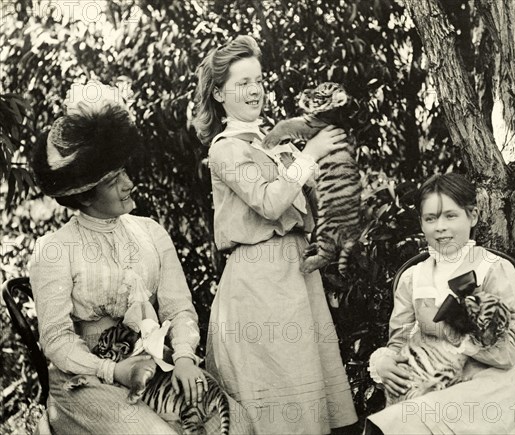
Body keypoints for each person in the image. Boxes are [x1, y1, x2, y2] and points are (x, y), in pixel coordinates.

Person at [192, 35, 359, 434]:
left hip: (296, 274)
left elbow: (307, 203)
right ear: (218, 93)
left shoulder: (273, 140)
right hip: (258, 281)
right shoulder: (225, 149)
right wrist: (311, 154)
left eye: (259, 81)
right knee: (279, 395)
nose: (255, 91)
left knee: (309, 392)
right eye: (242, 83)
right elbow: (269, 203)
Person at [29, 80, 211, 434]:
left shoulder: (150, 232)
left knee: (227, 418)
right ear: (83, 195)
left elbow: (178, 307)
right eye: (113, 180)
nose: (129, 183)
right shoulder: (55, 249)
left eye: (125, 171)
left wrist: (186, 357)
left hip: (153, 367)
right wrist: (114, 371)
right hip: (82, 385)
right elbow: (56, 340)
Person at [365, 173, 515, 434]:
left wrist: (452, 333)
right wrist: (383, 362)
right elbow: (400, 341)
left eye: (451, 216)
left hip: (484, 387)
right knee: (407, 414)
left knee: (412, 419)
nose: (440, 227)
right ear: (421, 223)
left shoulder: (493, 269)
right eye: (431, 218)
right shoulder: (413, 277)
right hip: (431, 383)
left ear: (472, 216)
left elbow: (507, 353)